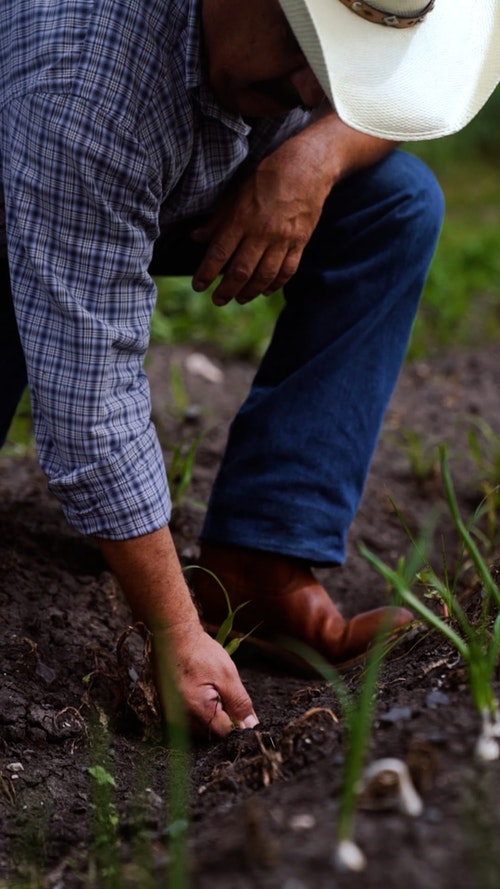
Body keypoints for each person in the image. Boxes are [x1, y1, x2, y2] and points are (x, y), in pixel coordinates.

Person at [1, 0, 498, 737]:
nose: (312, 91)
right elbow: (89, 401)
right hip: (28, 187)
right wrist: (174, 631)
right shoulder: (82, 83)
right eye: (306, 46)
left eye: (344, 68)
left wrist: (317, 156)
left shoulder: (283, 68)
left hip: (146, 168)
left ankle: (259, 568)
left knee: (395, 205)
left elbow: (397, 98)